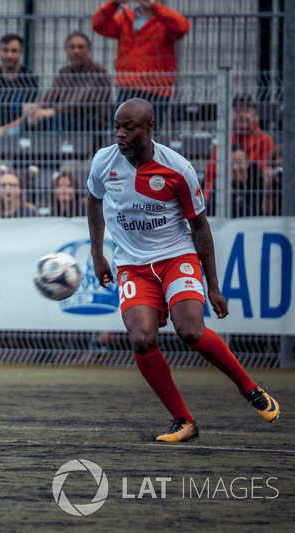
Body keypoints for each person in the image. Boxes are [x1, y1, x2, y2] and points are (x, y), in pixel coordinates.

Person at [86, 98, 280, 443]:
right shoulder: (104, 162)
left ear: (150, 127)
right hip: (132, 265)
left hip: (177, 258)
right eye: (117, 126)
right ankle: (183, 421)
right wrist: (97, 252)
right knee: (141, 339)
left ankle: (250, 389)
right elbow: (94, 199)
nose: (120, 134)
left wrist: (214, 285)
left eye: (129, 127)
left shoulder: (178, 169)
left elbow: (200, 227)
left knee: (190, 331)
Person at [92, 0, 190, 128]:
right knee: (120, 132)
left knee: (148, 134)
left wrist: (154, 7)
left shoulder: (163, 19)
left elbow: (182, 27)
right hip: (128, 86)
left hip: (156, 89)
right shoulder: (126, 19)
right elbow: (98, 24)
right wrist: (114, 3)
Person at [22, 31, 111, 134]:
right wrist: (36, 107)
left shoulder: (98, 72)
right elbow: (51, 95)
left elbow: (80, 104)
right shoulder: (64, 72)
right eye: (72, 47)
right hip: (65, 118)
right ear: (66, 51)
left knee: (55, 120)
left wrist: (51, 112)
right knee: (29, 122)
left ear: (89, 50)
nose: (76, 51)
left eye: (80, 47)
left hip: (90, 122)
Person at [204, 93, 276, 205]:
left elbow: (262, 175)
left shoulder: (265, 141)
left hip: (254, 194)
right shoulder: (225, 141)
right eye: (237, 111)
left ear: (254, 116)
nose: (241, 115)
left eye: (246, 111)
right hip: (225, 194)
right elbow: (211, 174)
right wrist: (207, 199)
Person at [228, 145, 263, 217]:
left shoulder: (258, 180)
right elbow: (211, 210)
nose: (234, 167)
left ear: (247, 163)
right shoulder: (222, 180)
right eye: (231, 164)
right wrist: (231, 189)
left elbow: (254, 213)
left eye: (238, 162)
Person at [261, 145, 282, 216]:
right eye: (277, 166)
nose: (280, 170)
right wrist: (267, 188)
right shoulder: (268, 183)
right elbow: (266, 212)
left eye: (283, 165)